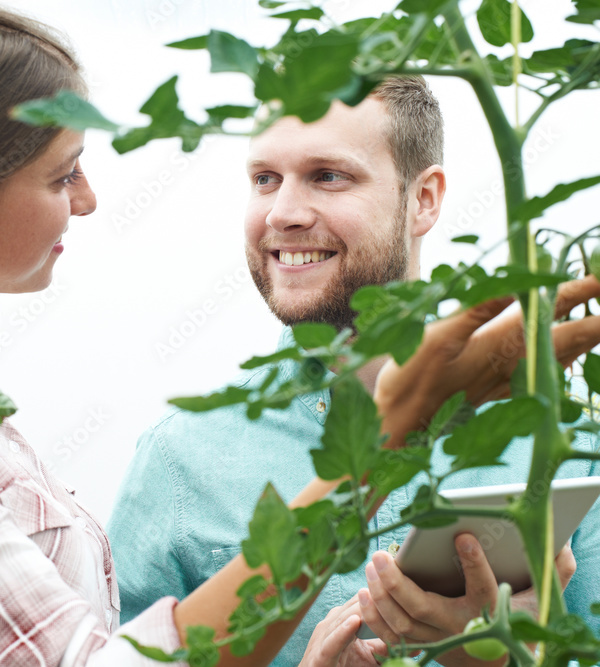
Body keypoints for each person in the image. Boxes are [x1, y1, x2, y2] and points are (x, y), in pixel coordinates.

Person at [0, 5, 600, 665]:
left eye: (328, 175)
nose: (88, 200)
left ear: (428, 198)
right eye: (64, 174)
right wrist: (400, 422)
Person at [106, 76, 600, 667]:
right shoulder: (180, 461)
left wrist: (508, 660)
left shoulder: (564, 441)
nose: (283, 213)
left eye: (327, 176)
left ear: (424, 199)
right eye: (264, 179)